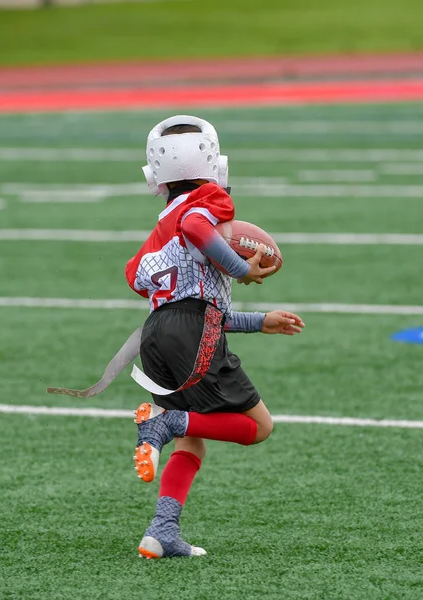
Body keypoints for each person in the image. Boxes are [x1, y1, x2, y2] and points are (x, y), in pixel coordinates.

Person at [125, 115, 305, 559]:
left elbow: (140, 278)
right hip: (191, 333)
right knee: (257, 427)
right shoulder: (210, 199)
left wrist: (262, 321)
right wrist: (241, 268)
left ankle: (162, 530)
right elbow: (197, 230)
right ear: (212, 160)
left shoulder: (161, 224)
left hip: (158, 334)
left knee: (193, 439)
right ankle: (166, 422)